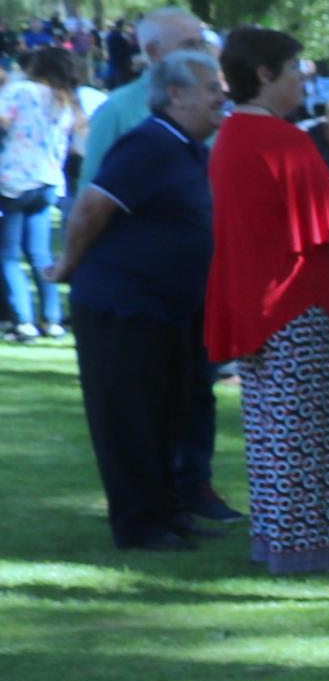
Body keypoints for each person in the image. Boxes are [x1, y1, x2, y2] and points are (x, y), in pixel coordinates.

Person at [205, 25, 329, 576]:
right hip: (293, 302)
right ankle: (305, 550)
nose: (303, 79)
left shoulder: (229, 137)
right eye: (295, 69)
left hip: (254, 300)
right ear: (265, 74)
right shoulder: (285, 142)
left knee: (271, 428)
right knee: (304, 431)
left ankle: (275, 540)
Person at [52, 49, 224, 549]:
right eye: (210, 87)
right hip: (123, 309)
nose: (220, 96)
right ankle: (140, 525)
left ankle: (167, 514)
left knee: (166, 416)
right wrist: (67, 266)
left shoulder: (187, 147)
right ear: (175, 94)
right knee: (130, 419)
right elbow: (91, 205)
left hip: (167, 310)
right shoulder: (150, 143)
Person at [2, 43, 78, 339]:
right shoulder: (65, 101)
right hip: (47, 180)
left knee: (8, 255)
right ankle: (52, 318)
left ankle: (23, 319)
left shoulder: (20, 91)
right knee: (40, 253)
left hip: (13, 181)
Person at [78, 6, 209, 175]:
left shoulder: (213, 102)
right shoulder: (117, 111)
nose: (200, 55)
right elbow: (92, 189)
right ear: (152, 51)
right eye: (189, 45)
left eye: (202, 45)